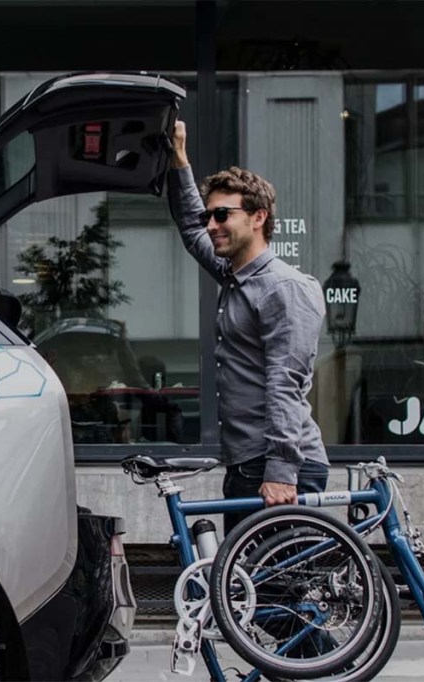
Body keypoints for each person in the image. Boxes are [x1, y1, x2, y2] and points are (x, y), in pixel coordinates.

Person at [168, 120, 329, 536]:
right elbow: (190, 228)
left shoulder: (284, 288)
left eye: (223, 214)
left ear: (259, 217)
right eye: (210, 214)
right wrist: (179, 161)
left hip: (279, 466)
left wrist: (280, 470)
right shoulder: (234, 276)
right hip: (246, 462)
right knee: (245, 592)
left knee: (278, 595)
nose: (211, 224)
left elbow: (286, 382)